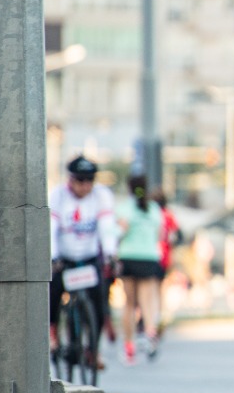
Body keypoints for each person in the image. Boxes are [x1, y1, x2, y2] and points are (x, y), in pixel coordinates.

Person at [49, 156, 117, 372]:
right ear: (71, 179)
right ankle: (52, 334)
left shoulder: (101, 196)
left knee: (100, 300)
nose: (85, 186)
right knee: (52, 289)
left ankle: (94, 350)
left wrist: (110, 254)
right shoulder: (58, 196)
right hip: (64, 256)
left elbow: (107, 227)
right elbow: (51, 228)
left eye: (89, 181)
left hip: (88, 257)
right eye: (80, 181)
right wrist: (53, 256)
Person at [115, 173, 167, 364]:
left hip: (128, 256)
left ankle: (129, 348)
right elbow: (161, 235)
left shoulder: (124, 208)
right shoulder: (154, 209)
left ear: (129, 188)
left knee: (129, 304)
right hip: (149, 257)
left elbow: (119, 232)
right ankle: (150, 333)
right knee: (148, 301)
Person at [153, 189, 181, 338]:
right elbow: (174, 237)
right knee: (159, 291)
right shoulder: (169, 216)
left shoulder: (149, 213)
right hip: (164, 258)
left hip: (149, 256)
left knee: (147, 290)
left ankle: (149, 320)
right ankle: (157, 319)